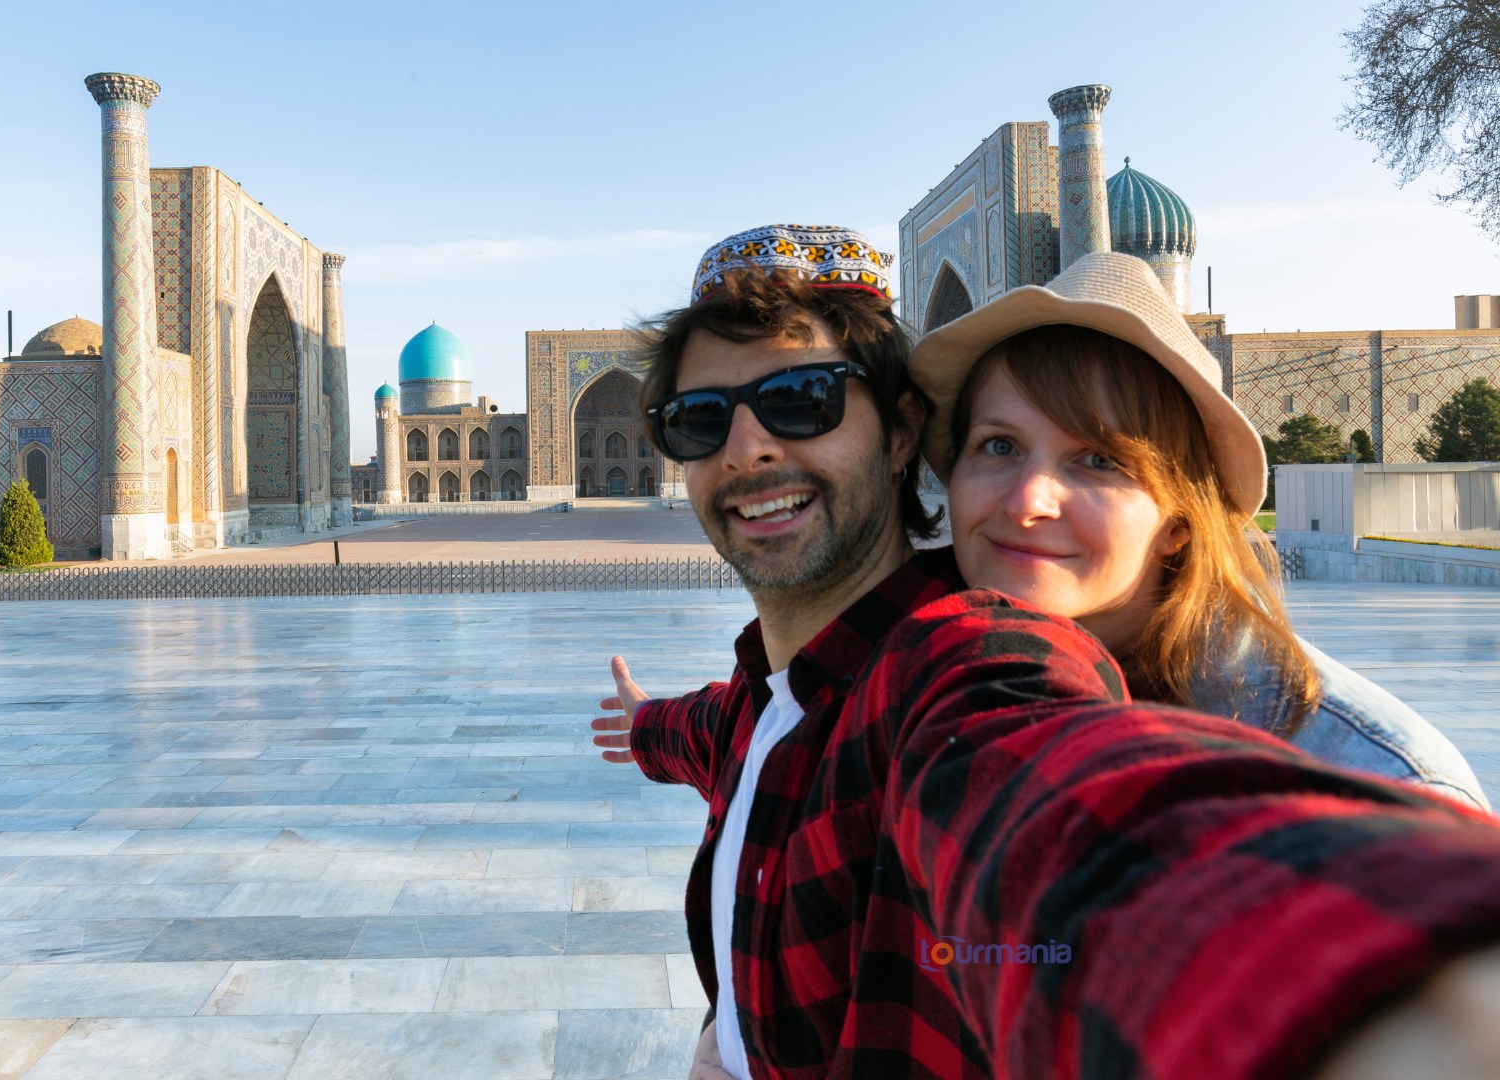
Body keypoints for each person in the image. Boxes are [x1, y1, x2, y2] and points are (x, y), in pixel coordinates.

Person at [592, 225, 1500, 1079]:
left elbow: (1065, 799)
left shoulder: (953, 666)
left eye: (799, 401)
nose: (747, 448)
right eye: (701, 420)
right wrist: (646, 732)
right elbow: (728, 729)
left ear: (903, 433)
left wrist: (1392, 987)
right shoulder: (783, 691)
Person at [906, 251, 1485, 808]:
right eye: (999, 445)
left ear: (1180, 521)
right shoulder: (907, 693)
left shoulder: (1369, 782)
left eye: (1100, 461)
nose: (1028, 502)